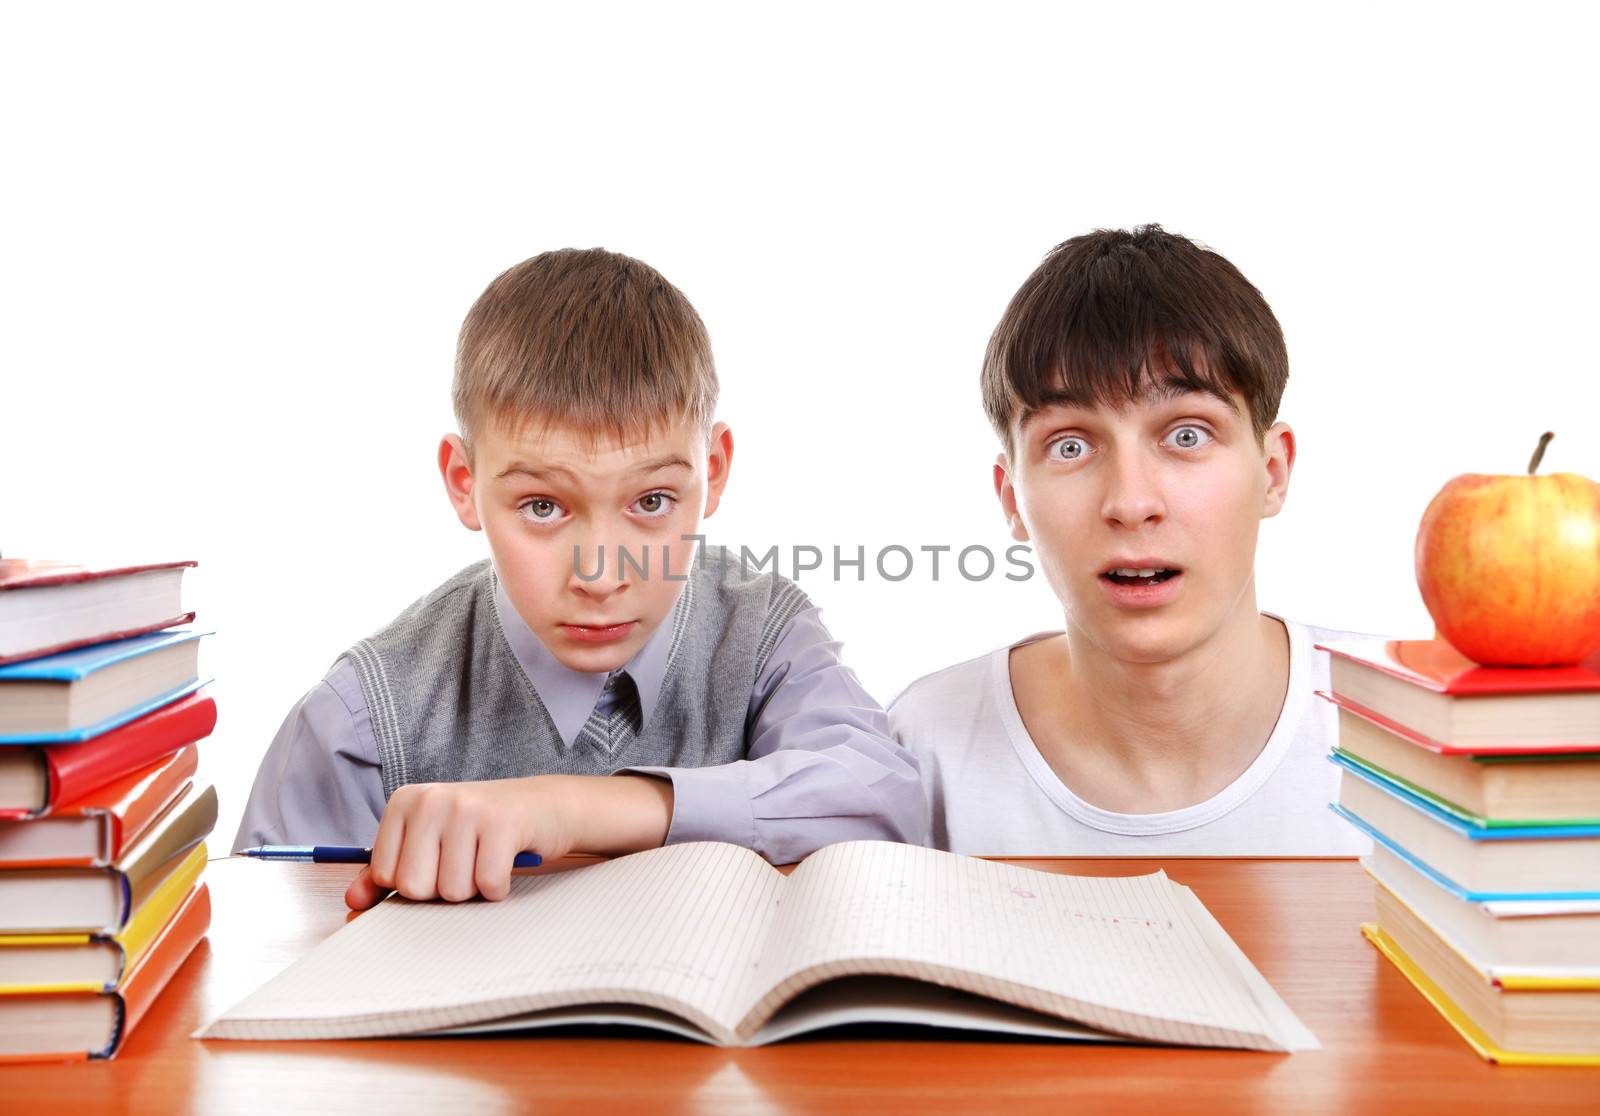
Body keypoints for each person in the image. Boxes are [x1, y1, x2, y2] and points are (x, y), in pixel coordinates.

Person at [235, 247, 926, 908]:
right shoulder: (361, 719)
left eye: (651, 502)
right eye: (543, 507)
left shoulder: (764, 630)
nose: (600, 575)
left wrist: (573, 806)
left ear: (712, 471)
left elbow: (882, 800)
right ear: (463, 482)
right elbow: (270, 956)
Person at [890, 225, 1372, 855]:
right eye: (1071, 446)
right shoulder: (925, 746)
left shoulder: (1408, 725)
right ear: (1012, 500)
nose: (1131, 503)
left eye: (1187, 435)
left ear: (1273, 471)